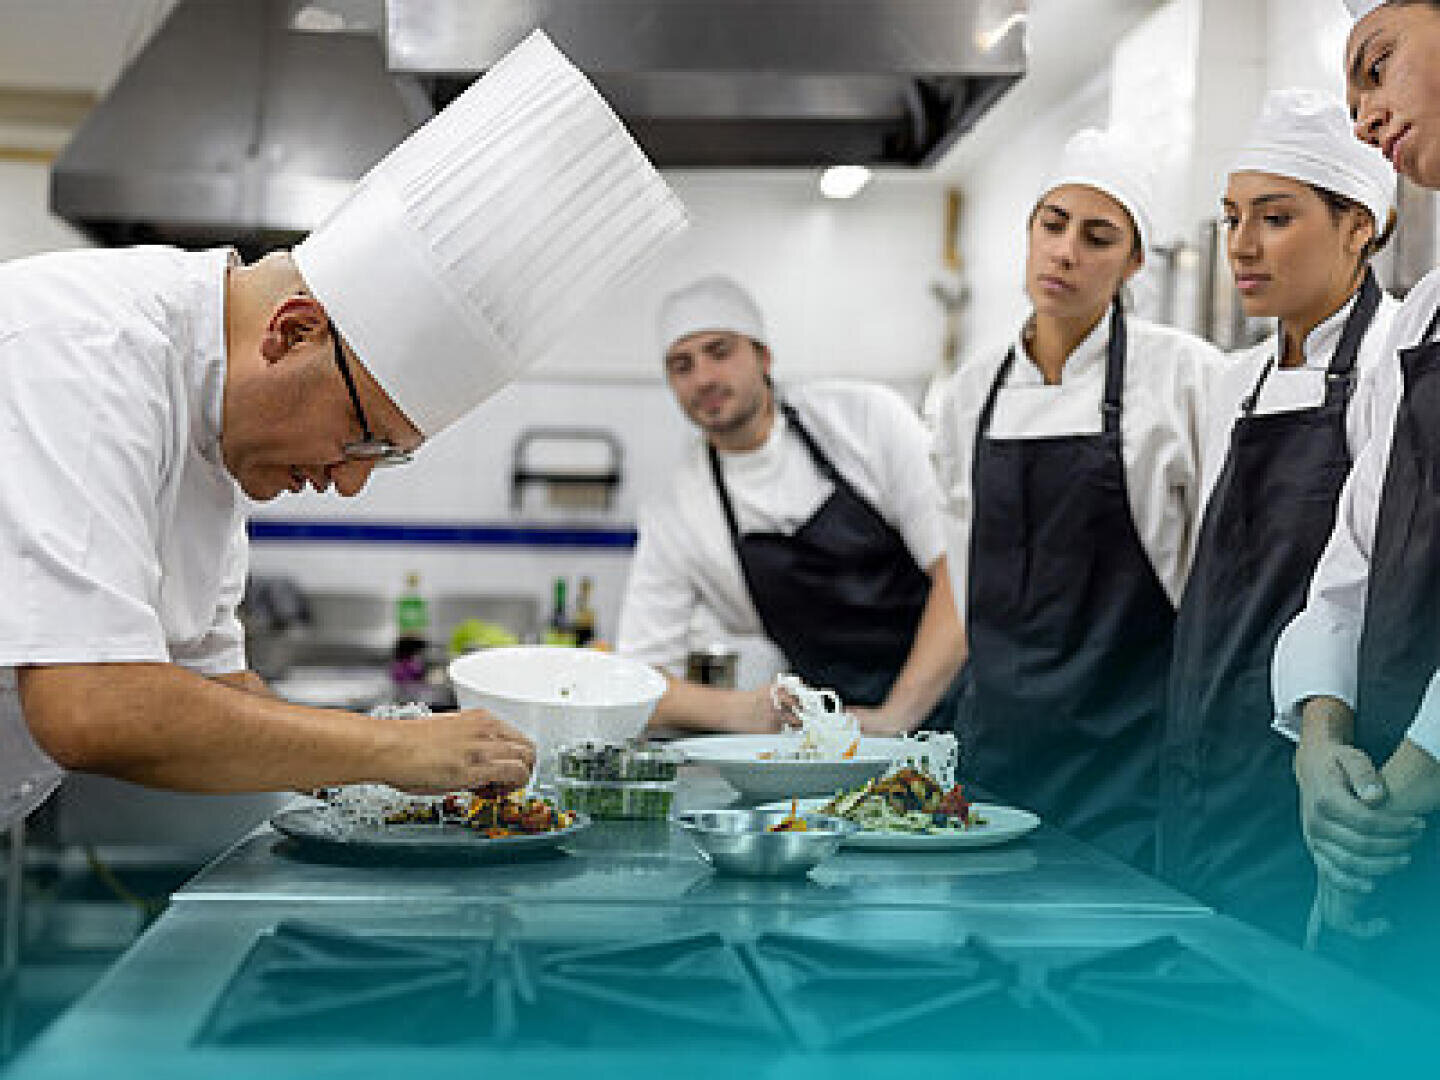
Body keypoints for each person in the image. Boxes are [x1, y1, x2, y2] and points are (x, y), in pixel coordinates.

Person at [0, 31, 686, 830]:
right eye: (365, 436)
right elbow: (91, 706)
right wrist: (392, 752)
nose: (351, 480)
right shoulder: (87, 350)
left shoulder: (218, 434)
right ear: (293, 333)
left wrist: (419, 781)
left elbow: (219, 691)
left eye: (387, 457)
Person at [932, 129, 1222, 870]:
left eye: (1098, 237)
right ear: (1029, 232)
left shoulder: (1184, 375)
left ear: (1132, 262)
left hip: (1127, 760)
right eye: (1052, 225)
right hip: (994, 753)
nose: (1065, 252)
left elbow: (1216, 579)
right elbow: (966, 580)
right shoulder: (971, 390)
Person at [1160, 88, 1399, 941]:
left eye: (1275, 217)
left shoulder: (1393, 365)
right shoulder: (1233, 382)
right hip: (1198, 763)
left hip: (1315, 770)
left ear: (1359, 224)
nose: (1243, 246)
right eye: (1231, 219)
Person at [1271, 0, 1440, 988]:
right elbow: (1357, 559)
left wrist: (1410, 779)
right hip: (1388, 825)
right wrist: (1322, 740)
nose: (1367, 118)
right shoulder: (1424, 319)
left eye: (1377, 70)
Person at [617, 275, 965, 735]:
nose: (704, 378)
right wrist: (749, 712)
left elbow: (961, 572)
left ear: (763, 355)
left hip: (962, 704)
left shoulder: (865, 420)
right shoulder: (677, 506)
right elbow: (638, 681)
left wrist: (895, 718)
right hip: (836, 737)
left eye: (720, 351)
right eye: (682, 365)